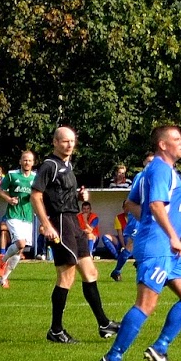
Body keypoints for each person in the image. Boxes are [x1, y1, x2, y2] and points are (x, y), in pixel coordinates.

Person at [101, 124, 181, 361]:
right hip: (159, 246)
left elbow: (132, 203)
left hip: (166, 248)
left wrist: (153, 223)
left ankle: (160, 347)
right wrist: (171, 236)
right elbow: (156, 205)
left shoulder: (153, 171)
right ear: (162, 144)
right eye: (177, 139)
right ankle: (113, 358)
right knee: (146, 304)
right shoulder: (159, 169)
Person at [30, 126, 118, 344]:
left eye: (72, 141)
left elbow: (60, 194)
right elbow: (35, 195)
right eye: (64, 141)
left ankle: (104, 324)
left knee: (90, 272)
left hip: (73, 220)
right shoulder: (50, 165)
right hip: (60, 222)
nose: (69, 145)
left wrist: (79, 196)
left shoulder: (66, 165)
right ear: (55, 143)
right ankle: (56, 330)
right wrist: (47, 224)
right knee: (66, 276)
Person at [0, 150, 36, 288]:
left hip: (28, 216)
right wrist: (9, 199)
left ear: (33, 162)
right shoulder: (12, 175)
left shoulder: (35, 178)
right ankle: (3, 258)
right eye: (25, 160)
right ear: (20, 161)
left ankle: (3, 279)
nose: (27, 162)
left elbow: (40, 194)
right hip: (14, 215)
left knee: (19, 250)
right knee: (20, 244)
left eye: (30, 160)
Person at [111, 154, 154, 283]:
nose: (151, 164)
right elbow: (134, 197)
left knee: (148, 242)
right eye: (149, 161)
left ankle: (139, 263)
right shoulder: (140, 176)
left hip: (148, 215)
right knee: (131, 244)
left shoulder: (155, 176)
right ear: (144, 162)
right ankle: (117, 270)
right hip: (137, 215)